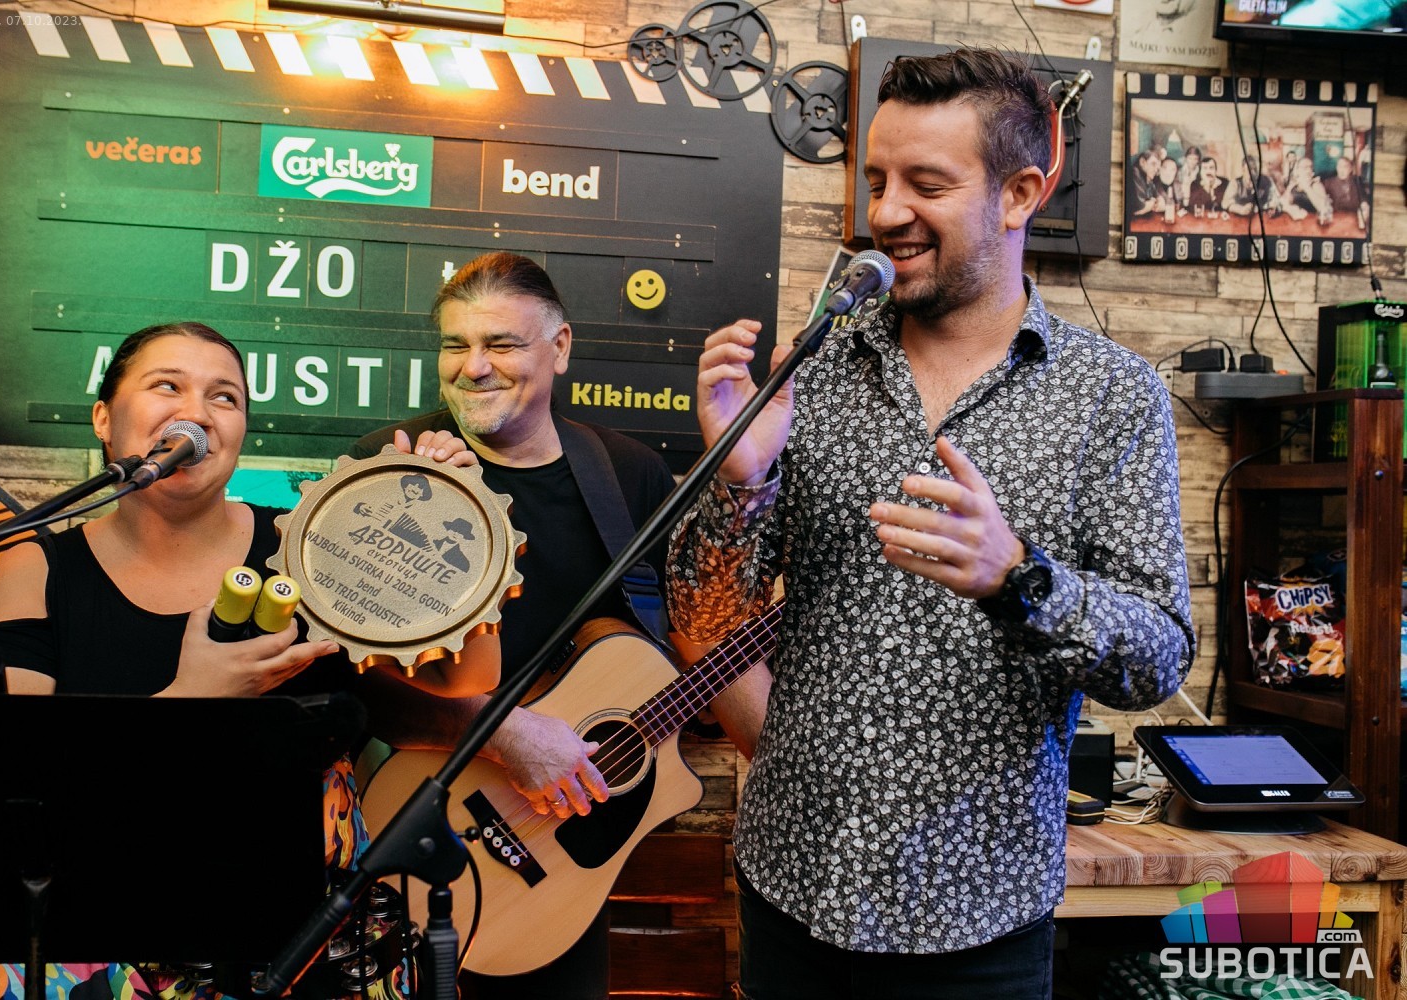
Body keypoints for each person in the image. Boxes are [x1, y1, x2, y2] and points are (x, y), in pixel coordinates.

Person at [668, 48, 1194, 1000]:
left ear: (1020, 193)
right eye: (877, 181)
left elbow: (1156, 660)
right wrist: (739, 483)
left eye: (927, 184)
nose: (885, 213)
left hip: (979, 919)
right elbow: (705, 620)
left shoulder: (1112, 397)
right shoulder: (814, 368)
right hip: (793, 889)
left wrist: (1019, 577)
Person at [0, 322, 488, 1000]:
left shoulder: (310, 546)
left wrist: (460, 517)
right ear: (104, 419)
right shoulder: (35, 570)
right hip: (102, 921)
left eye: (224, 397)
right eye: (166, 386)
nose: (196, 412)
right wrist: (192, 701)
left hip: (305, 933)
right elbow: (13, 796)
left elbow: (467, 676)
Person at [348, 251, 708, 1000]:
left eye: (502, 344)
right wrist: (506, 735)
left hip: (556, 870)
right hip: (415, 825)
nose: (473, 367)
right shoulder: (385, 465)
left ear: (560, 347)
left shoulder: (629, 474)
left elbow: (674, 649)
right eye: (455, 345)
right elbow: (342, 672)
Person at [1322, 155, 1370, 231]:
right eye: (1339, 166)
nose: (1342, 170)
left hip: (1355, 216)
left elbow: (1363, 196)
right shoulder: (1328, 183)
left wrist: (1364, 203)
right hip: (1336, 218)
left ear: (1351, 169)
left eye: (1345, 167)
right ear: (1337, 168)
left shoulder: (1357, 181)